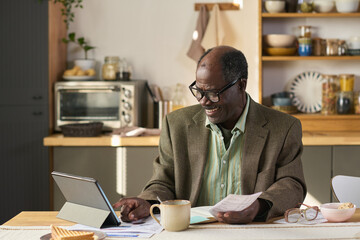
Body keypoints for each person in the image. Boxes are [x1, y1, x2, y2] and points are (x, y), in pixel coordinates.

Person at [113, 46, 306, 224]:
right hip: (191, 232)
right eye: (198, 91)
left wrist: (260, 206)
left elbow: (292, 184)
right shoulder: (177, 124)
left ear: (241, 85)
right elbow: (164, 180)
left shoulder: (283, 127)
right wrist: (147, 201)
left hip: (251, 230)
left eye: (213, 93)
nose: (204, 102)